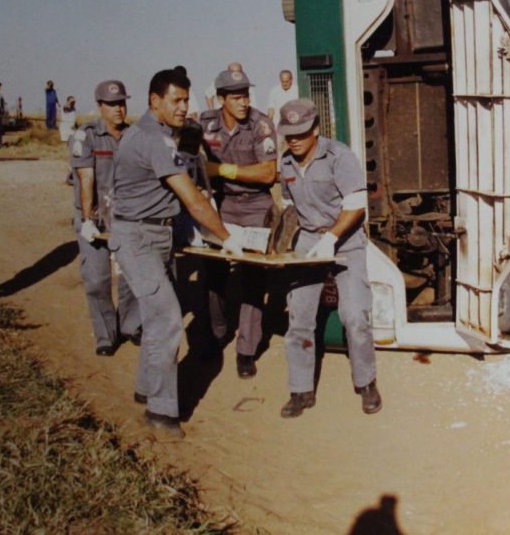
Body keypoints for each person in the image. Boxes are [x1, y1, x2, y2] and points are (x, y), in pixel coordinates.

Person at [109, 67, 243, 438]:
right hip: (137, 238)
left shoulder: (164, 134)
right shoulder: (153, 138)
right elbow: (194, 199)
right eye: (176, 100)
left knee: (157, 317)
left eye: (187, 100)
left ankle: (146, 389)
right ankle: (161, 413)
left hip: (158, 235)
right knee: (167, 319)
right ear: (155, 101)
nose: (184, 107)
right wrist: (226, 238)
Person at [275, 98, 381, 418]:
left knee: (354, 316)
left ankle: (366, 382)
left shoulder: (339, 156)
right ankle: (300, 389)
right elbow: (288, 206)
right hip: (309, 240)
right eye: (288, 134)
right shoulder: (286, 163)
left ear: (316, 129)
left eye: (300, 133)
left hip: (346, 240)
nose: (293, 140)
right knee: (298, 317)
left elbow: (357, 206)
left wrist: (332, 239)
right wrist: (279, 243)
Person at [199, 68, 278, 377]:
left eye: (246, 95)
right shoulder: (205, 123)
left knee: (253, 278)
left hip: (256, 205)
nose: (244, 102)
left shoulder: (261, 125)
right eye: (236, 97)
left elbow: (267, 173)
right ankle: (218, 333)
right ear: (221, 100)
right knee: (214, 272)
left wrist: (222, 170)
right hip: (222, 206)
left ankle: (246, 350)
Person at [70, 81, 141, 356]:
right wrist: (88, 219)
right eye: (112, 104)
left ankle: (131, 324)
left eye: (122, 102)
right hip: (94, 216)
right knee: (97, 278)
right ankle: (105, 334)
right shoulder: (85, 135)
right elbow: (86, 177)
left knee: (131, 275)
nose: (118, 109)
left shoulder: (134, 135)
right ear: (100, 106)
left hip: (125, 216)